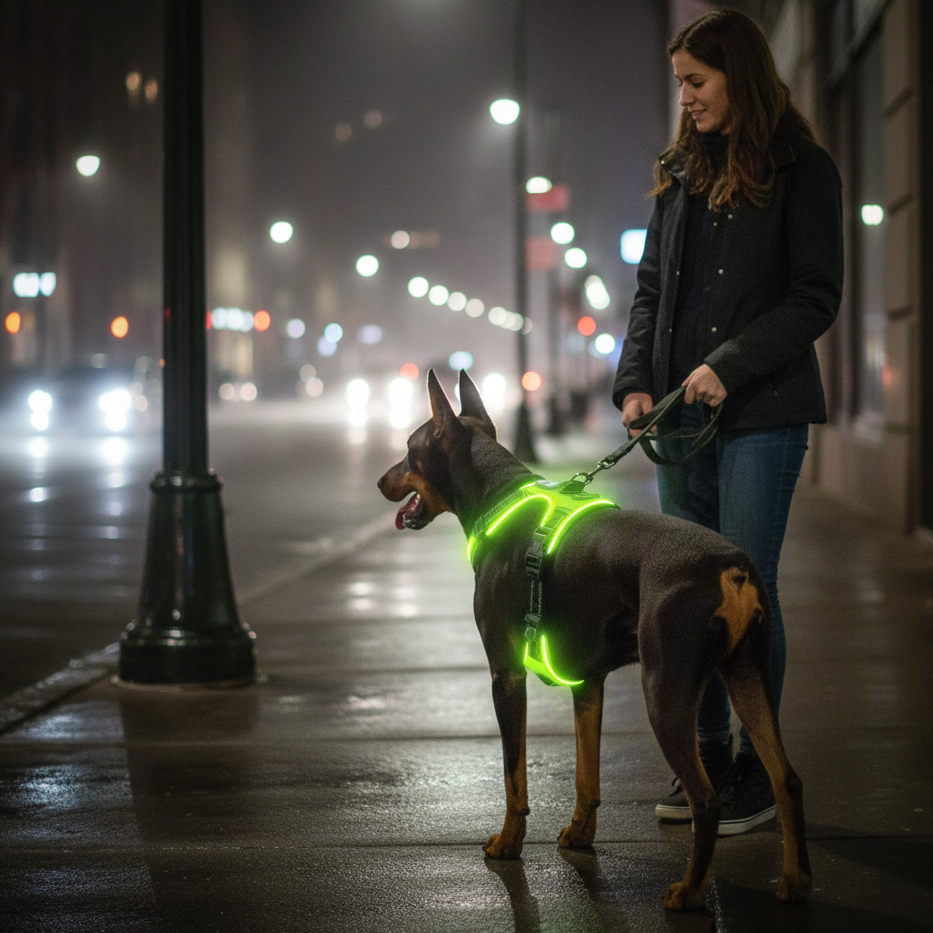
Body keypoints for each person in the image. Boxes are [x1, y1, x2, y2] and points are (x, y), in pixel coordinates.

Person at [612, 8, 843, 835]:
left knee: (748, 587)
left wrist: (728, 364)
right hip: (679, 425)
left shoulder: (801, 169)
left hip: (762, 414)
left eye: (696, 82)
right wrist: (635, 381)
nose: (685, 98)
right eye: (679, 83)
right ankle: (704, 762)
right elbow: (648, 295)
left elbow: (815, 295)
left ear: (737, 78)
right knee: (688, 595)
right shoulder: (677, 173)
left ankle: (756, 768)